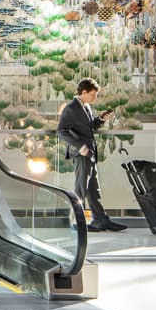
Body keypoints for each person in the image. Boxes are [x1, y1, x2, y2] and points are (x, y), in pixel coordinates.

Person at [57, 77, 126, 233]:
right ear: (84, 92)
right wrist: (80, 146)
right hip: (81, 153)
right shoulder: (71, 108)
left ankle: (100, 220)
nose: (95, 98)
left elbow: (88, 128)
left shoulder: (85, 107)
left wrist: (100, 119)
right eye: (93, 95)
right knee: (81, 188)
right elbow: (61, 131)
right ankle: (77, 221)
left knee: (93, 188)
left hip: (90, 152)